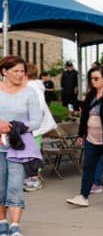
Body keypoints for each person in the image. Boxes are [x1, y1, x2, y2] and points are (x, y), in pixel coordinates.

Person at [0, 56, 42, 236]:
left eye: (22, 71)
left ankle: (14, 225)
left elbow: (36, 121)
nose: (20, 74)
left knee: (15, 185)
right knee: (0, 186)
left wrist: (14, 126)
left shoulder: (30, 92)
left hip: (19, 146)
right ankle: (2, 221)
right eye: (16, 71)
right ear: (4, 72)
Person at [66, 66, 103, 208]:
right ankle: (83, 196)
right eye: (91, 79)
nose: (93, 81)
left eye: (96, 78)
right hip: (91, 138)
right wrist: (81, 134)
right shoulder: (90, 96)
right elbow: (84, 116)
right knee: (88, 166)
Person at [22, 64, 56, 192]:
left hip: (33, 127)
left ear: (26, 74)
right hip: (34, 127)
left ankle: (34, 180)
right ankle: (32, 178)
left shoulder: (32, 87)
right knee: (32, 152)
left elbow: (39, 106)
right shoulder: (35, 86)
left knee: (32, 153)